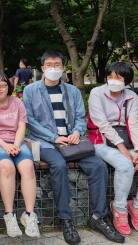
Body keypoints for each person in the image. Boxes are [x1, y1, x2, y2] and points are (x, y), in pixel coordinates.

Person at [23, 50, 124, 245]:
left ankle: (98, 217)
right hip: (46, 141)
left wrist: (77, 132)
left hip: (73, 141)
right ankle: (66, 219)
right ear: (42, 67)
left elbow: (80, 117)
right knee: (59, 166)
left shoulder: (72, 91)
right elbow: (30, 121)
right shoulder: (31, 90)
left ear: (63, 68)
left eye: (58, 65)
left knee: (98, 166)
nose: (54, 68)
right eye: (49, 64)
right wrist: (54, 137)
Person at [0, 72, 40, 238]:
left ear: (9, 86)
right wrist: (6, 146)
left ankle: (29, 215)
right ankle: (9, 215)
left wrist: (15, 144)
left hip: (16, 142)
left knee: (27, 166)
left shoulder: (17, 102)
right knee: (7, 167)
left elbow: (21, 127)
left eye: (2, 85)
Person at [88, 62, 138, 235]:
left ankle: (136, 206)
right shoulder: (97, 93)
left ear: (127, 80)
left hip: (127, 141)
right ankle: (119, 209)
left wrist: (137, 150)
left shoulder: (131, 96)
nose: (113, 81)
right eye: (110, 77)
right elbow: (101, 123)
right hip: (100, 140)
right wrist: (121, 148)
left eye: (118, 77)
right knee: (125, 165)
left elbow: (133, 123)